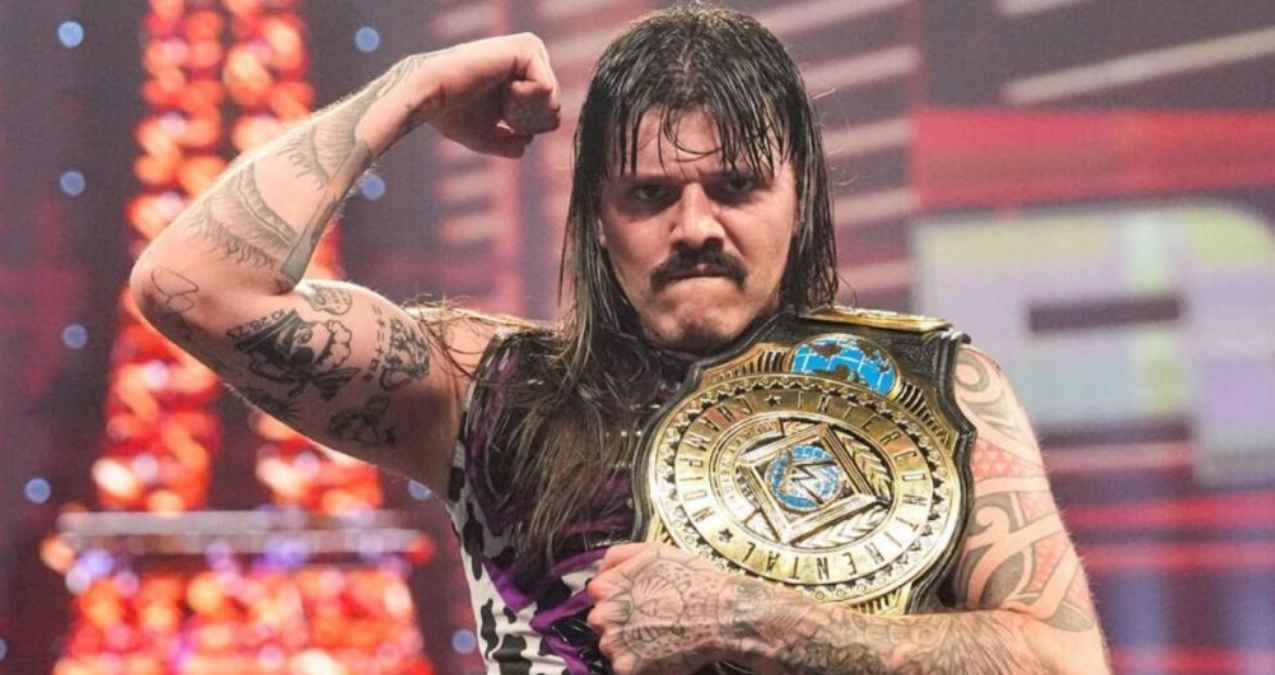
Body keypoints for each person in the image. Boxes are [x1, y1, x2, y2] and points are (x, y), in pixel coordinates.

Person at [129, 5, 1109, 674]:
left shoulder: (938, 383)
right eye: (650, 193)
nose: (695, 227)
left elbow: (1065, 661)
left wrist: (765, 623)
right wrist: (412, 91)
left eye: (735, 186)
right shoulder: (487, 385)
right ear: (597, 215)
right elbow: (190, 286)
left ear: (800, 196)